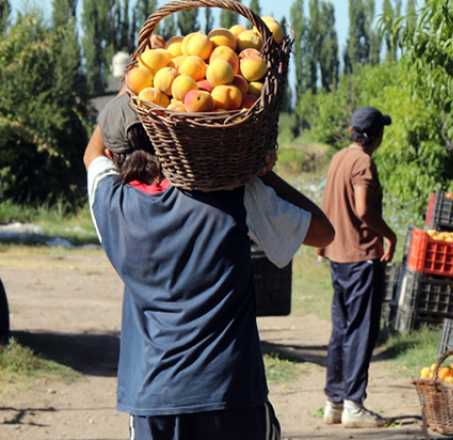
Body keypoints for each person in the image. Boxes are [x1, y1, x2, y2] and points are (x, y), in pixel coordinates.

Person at [84, 93, 335, 440]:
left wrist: (127, 93)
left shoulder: (112, 206)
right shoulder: (234, 193)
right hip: (230, 392)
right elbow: (324, 232)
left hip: (152, 398)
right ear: (178, 132)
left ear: (115, 153)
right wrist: (261, 174)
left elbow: (92, 156)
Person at [317, 107, 397, 427]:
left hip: (338, 254)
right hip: (361, 257)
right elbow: (363, 210)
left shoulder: (339, 159)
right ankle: (353, 403)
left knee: (342, 329)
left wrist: (323, 244)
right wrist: (389, 235)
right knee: (361, 331)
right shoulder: (363, 162)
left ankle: (333, 402)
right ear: (375, 135)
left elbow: (328, 202)